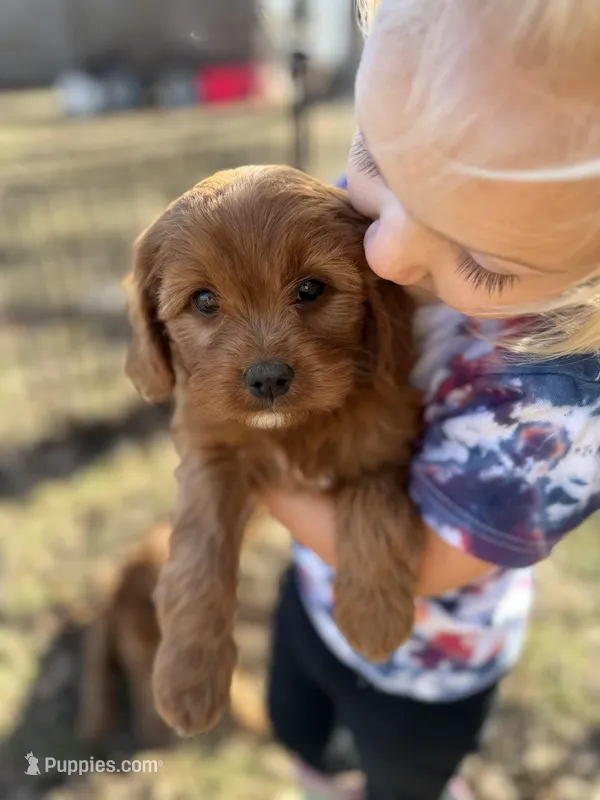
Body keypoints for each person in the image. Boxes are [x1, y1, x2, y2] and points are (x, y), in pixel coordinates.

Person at [261, 1, 600, 799]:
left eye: (480, 262)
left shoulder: (561, 411)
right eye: (374, 158)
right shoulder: (391, 222)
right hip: (315, 588)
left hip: (427, 669)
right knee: (297, 726)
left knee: (402, 779)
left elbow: (417, 564)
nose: (384, 251)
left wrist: (258, 472)